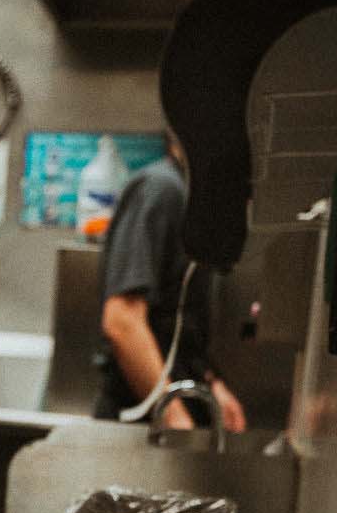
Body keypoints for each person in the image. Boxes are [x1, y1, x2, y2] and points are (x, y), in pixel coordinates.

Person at [96, 135, 246, 431]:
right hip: (140, 426)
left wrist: (211, 383)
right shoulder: (161, 190)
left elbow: (175, 323)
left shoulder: (190, 197)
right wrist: (174, 417)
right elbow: (122, 321)